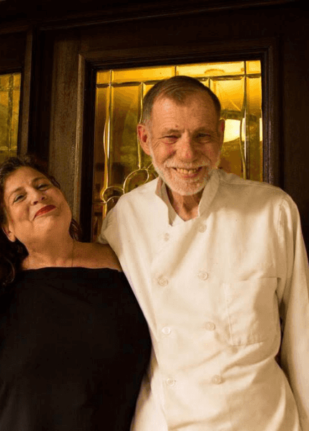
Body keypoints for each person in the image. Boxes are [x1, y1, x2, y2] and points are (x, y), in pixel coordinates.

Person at [99, 75, 309, 430]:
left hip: (263, 422)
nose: (188, 154)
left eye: (202, 135)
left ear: (221, 133)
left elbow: (302, 336)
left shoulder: (272, 210)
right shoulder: (123, 220)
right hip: (165, 421)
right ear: (145, 139)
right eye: (171, 136)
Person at [0, 157, 151, 431]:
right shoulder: (2, 290)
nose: (36, 196)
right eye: (19, 197)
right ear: (8, 229)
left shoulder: (125, 261)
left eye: (42, 185)